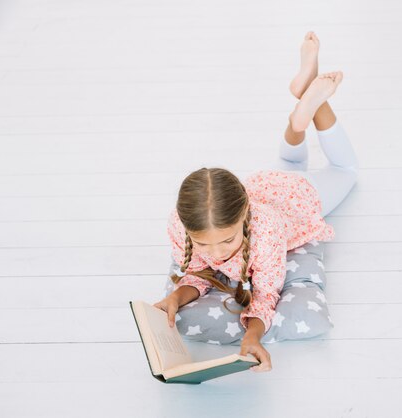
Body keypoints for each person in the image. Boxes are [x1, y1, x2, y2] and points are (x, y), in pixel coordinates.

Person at [153, 31, 359, 373]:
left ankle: (316, 104)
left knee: (345, 169)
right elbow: (197, 274)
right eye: (204, 242)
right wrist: (175, 297)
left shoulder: (265, 234)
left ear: (244, 216)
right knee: (290, 164)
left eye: (228, 240)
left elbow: (266, 295)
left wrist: (253, 335)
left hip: (296, 198)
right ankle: (302, 105)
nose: (217, 253)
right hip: (266, 184)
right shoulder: (180, 223)